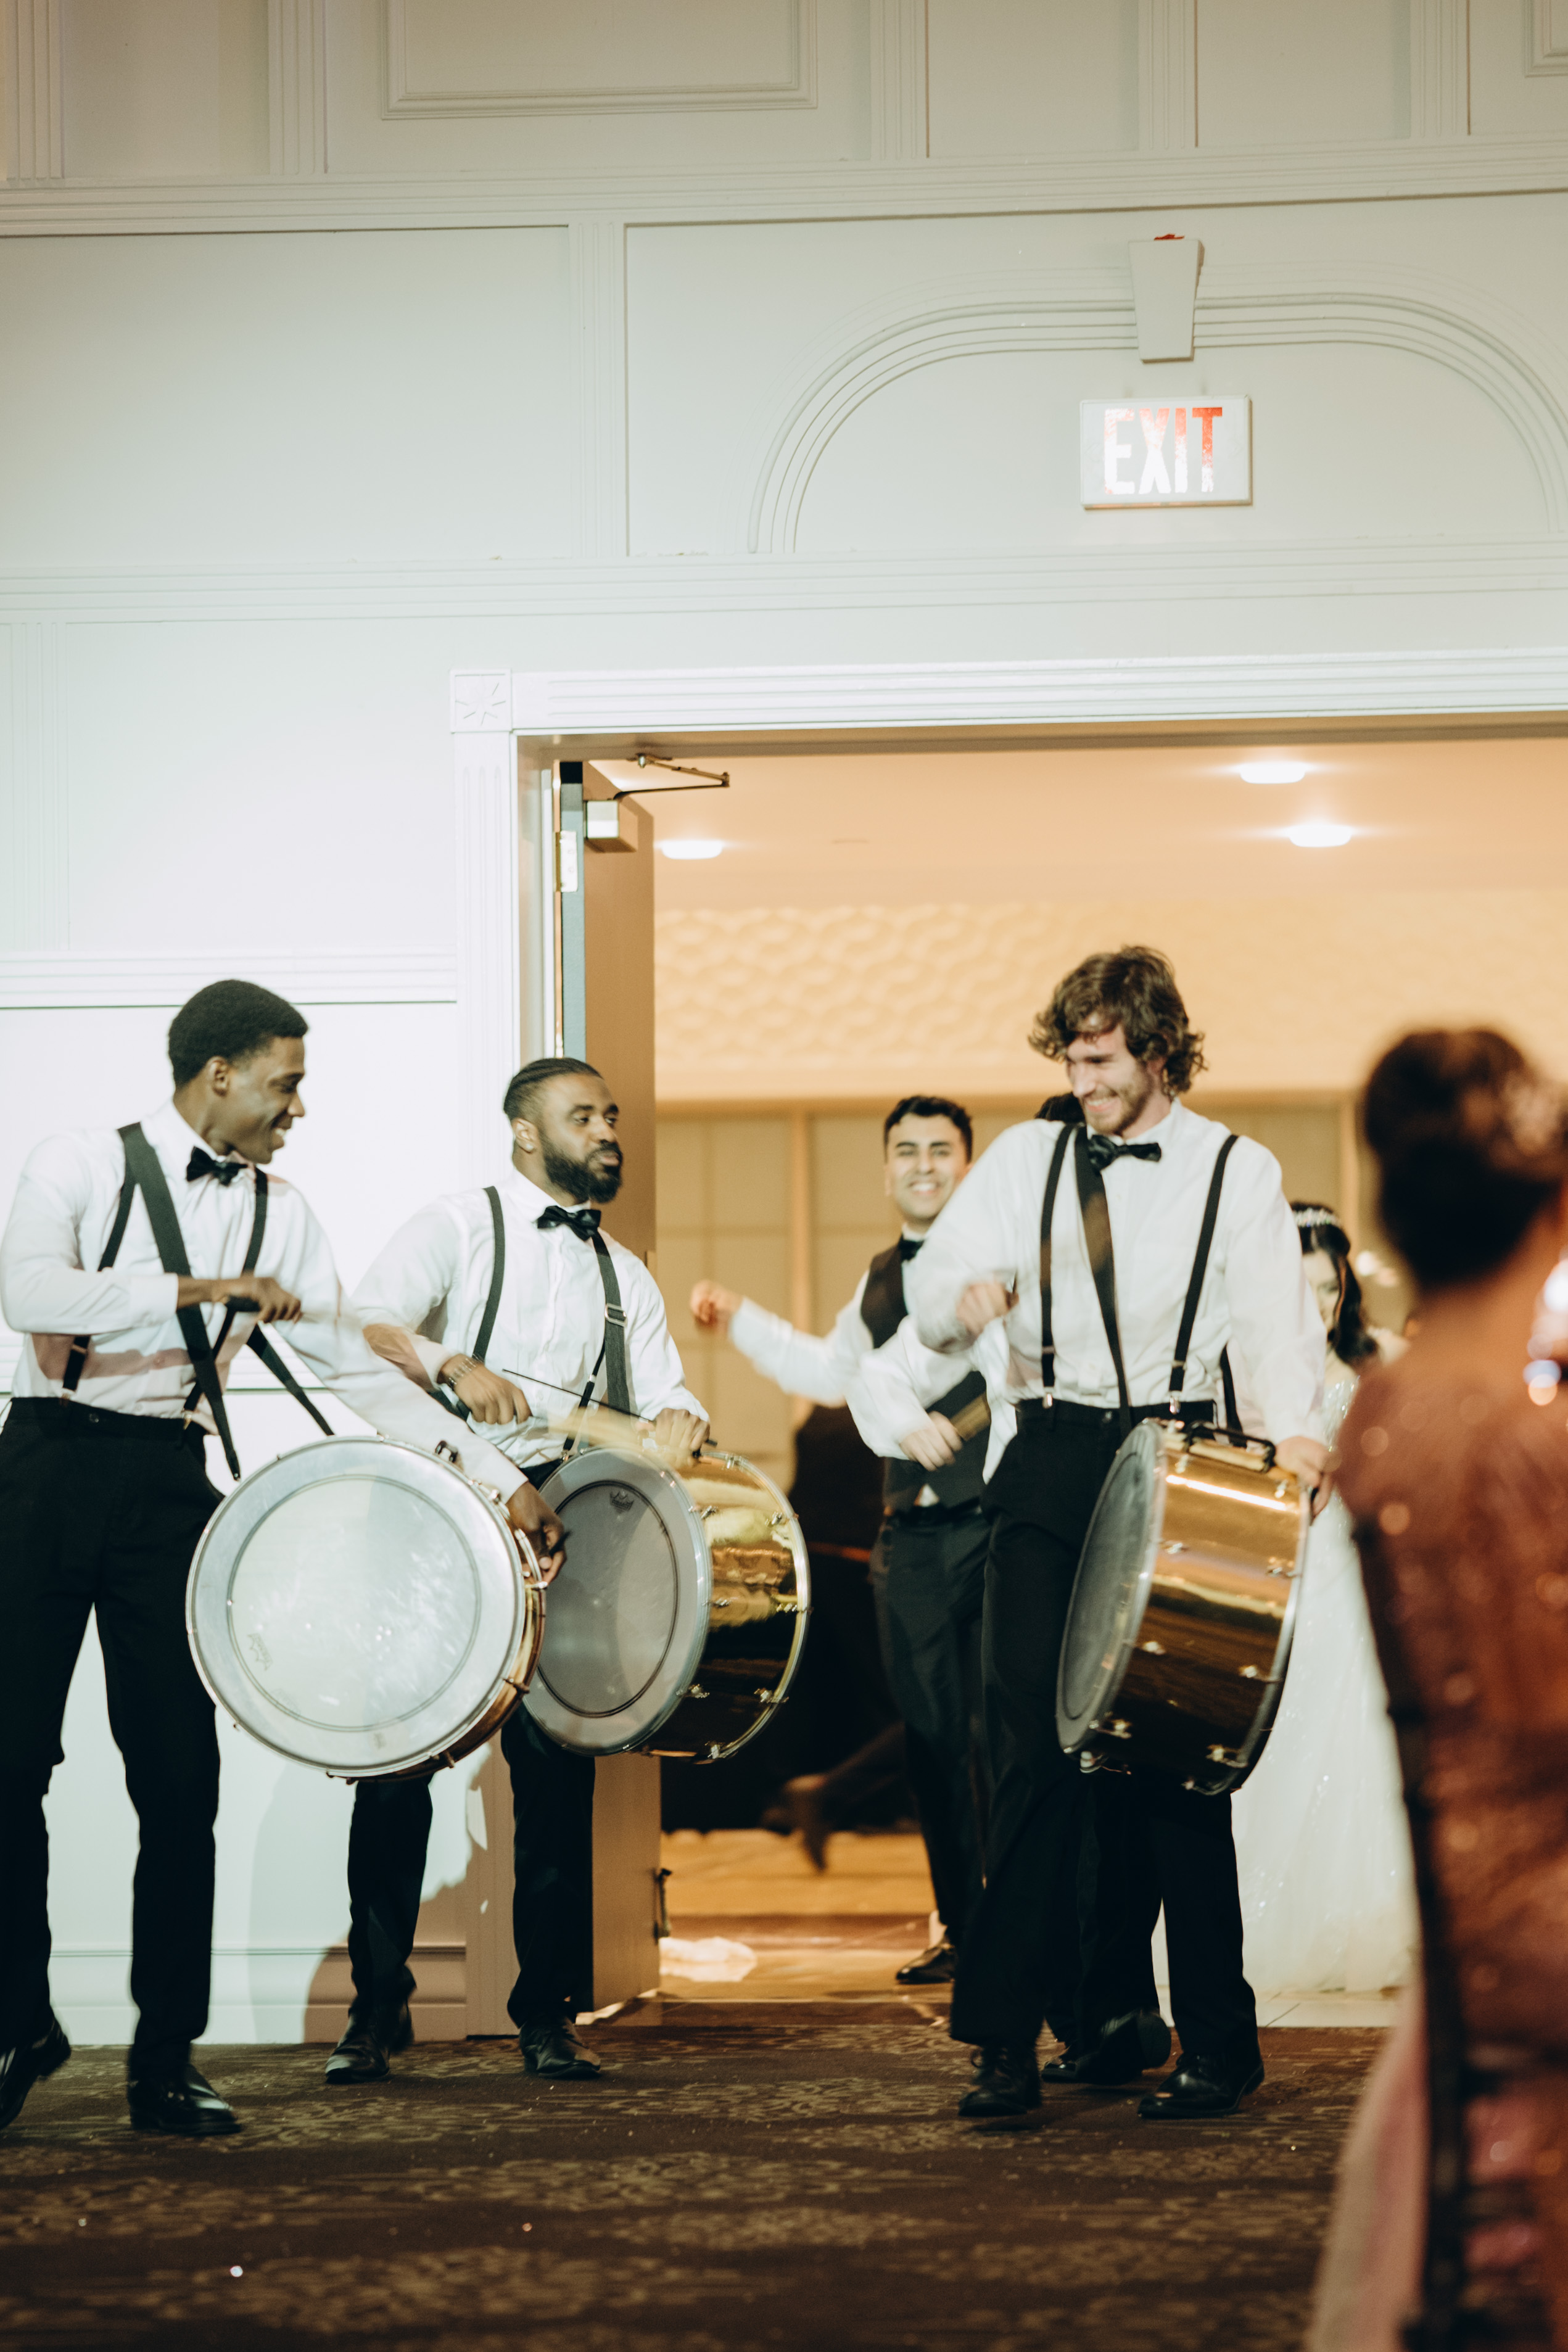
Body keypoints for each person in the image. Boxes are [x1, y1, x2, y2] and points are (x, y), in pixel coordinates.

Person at [0, 981, 553, 2139]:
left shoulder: (284, 1214)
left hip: (169, 1486)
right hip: (44, 1468)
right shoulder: (79, 1161)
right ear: (220, 1074)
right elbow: (25, 1290)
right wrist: (203, 1292)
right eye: (285, 1083)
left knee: (179, 1785)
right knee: (9, 1765)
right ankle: (18, 2018)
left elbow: (354, 1368)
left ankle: (165, 2058)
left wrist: (496, 1477)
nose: (299, 1107)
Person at [907, 946, 1327, 2121]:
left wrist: (1296, 1437)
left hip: (1181, 1460)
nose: (1081, 1082)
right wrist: (961, 1301)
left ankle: (1218, 2043)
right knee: (1030, 1754)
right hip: (1048, 1457)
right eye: (1072, 1061)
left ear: (1157, 1050)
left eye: (1099, 1061)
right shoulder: (1024, 1157)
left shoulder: (1237, 1169)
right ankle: (1006, 2039)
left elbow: (1273, 1323)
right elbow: (937, 1288)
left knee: (1176, 1761)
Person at [344, 1055, 708, 2086]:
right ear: (522, 1130)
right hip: (443, 1503)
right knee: (400, 1761)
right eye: (582, 1115)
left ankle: (546, 2011)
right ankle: (375, 2007)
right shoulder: (458, 1225)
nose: (607, 1131)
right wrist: (450, 1363)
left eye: (610, 1116)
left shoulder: (623, 1271)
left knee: (555, 1772)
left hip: (560, 1520)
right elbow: (362, 1327)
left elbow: (668, 1393)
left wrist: (681, 1418)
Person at [1313, 1029, 1568, 2350]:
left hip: (1470, 1895)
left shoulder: (1383, 1406)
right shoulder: (1519, 1440)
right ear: (1552, 1209)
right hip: (1539, 1910)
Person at [691, 1096, 990, 1987]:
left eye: (941, 1150)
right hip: (910, 1533)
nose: (924, 1164)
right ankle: (964, 1929)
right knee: (930, 1738)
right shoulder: (879, 1278)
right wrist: (743, 1319)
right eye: (907, 1150)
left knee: (998, 1735)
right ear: (887, 1169)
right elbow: (831, 1373)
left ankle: (1022, 1929)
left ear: (968, 1166)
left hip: (994, 1522)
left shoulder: (1002, 1266)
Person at [1232, 1205, 1417, 1999]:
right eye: (1300, 1289)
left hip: (1355, 1570)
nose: (1316, 1307)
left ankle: (1368, 1912)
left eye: (1328, 1289)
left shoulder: (1379, 1362)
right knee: (1278, 1741)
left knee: (1361, 1737)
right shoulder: (1246, 1374)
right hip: (1278, 1572)